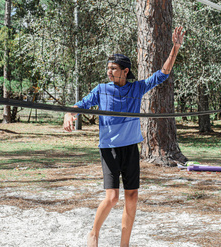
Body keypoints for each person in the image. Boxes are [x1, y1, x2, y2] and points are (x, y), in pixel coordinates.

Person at [63, 26, 185, 247]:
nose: (109, 72)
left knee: (132, 197)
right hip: (109, 149)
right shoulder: (101, 89)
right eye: (108, 68)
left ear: (126, 71)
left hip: (130, 148)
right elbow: (79, 105)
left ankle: (124, 244)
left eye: (114, 68)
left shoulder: (136, 89)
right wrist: (69, 115)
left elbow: (163, 74)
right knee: (112, 198)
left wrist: (175, 48)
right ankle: (94, 233)